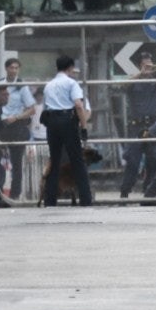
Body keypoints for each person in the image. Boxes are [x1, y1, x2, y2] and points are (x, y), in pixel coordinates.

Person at [39, 54, 93, 207]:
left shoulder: (49, 85)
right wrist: (84, 127)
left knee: (54, 161)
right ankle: (86, 199)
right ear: (70, 67)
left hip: (52, 122)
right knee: (77, 161)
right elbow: (79, 105)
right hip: (67, 121)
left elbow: (45, 107)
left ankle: (50, 200)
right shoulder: (71, 83)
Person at [117, 51, 156, 199]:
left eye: (150, 64)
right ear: (139, 66)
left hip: (153, 125)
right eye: (144, 64)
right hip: (137, 125)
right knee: (133, 160)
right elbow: (122, 87)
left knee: (153, 159)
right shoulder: (134, 81)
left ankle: (148, 190)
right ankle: (125, 191)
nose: (148, 68)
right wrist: (140, 74)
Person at [0, 57, 38, 200]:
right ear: (6, 68)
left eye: (16, 68)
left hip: (16, 126)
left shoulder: (21, 86)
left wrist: (17, 117)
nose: (14, 70)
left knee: (17, 163)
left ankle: (15, 194)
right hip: (1, 125)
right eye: (11, 67)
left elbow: (31, 109)